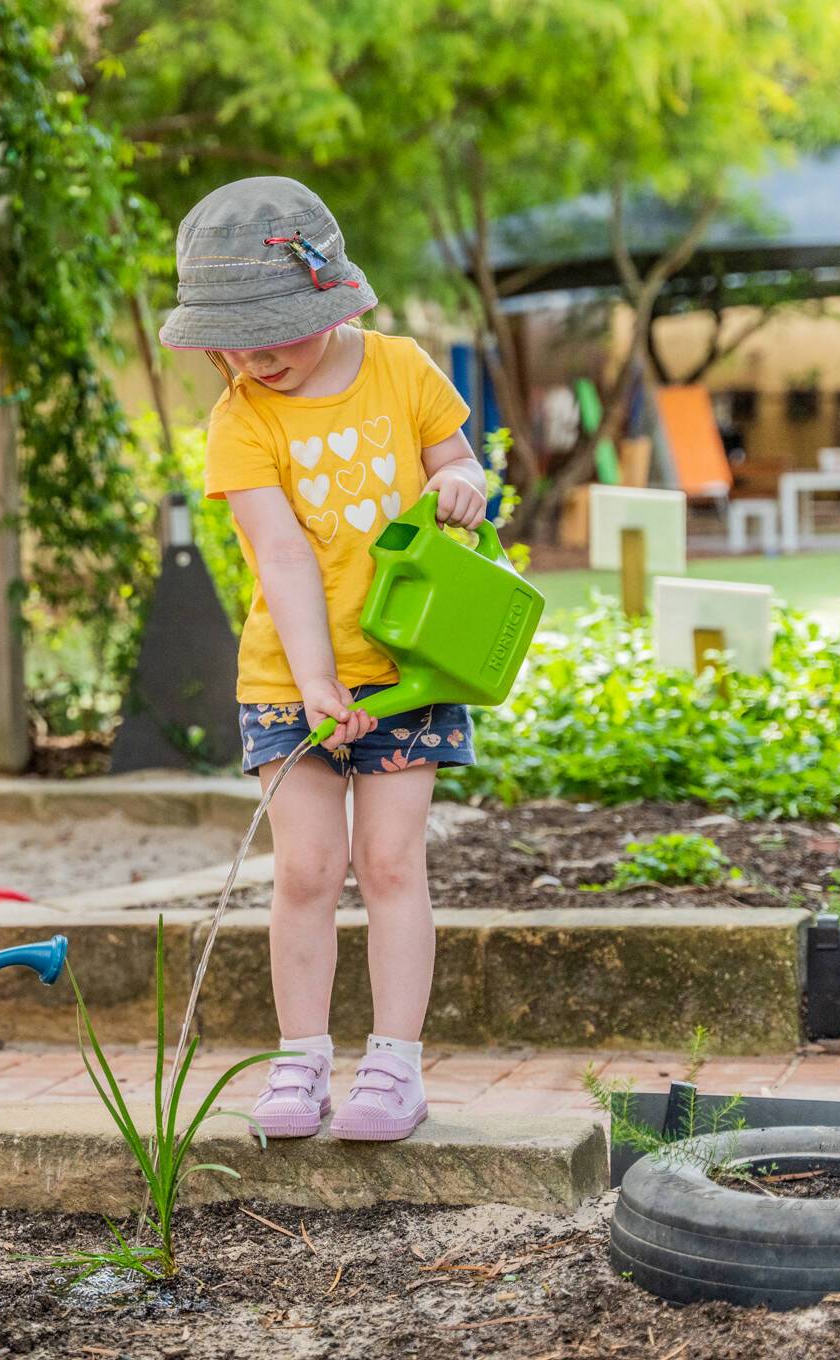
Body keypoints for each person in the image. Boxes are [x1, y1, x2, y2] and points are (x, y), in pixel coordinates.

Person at [160, 177, 488, 1143]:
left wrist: (462, 481)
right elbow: (283, 552)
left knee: (390, 863)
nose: (254, 361)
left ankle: (396, 1066)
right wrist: (313, 684)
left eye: (274, 339)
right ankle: (299, 1060)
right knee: (306, 868)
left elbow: (454, 460)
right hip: (285, 679)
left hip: (409, 672)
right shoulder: (240, 417)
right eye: (234, 346)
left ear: (332, 300)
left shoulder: (401, 367)